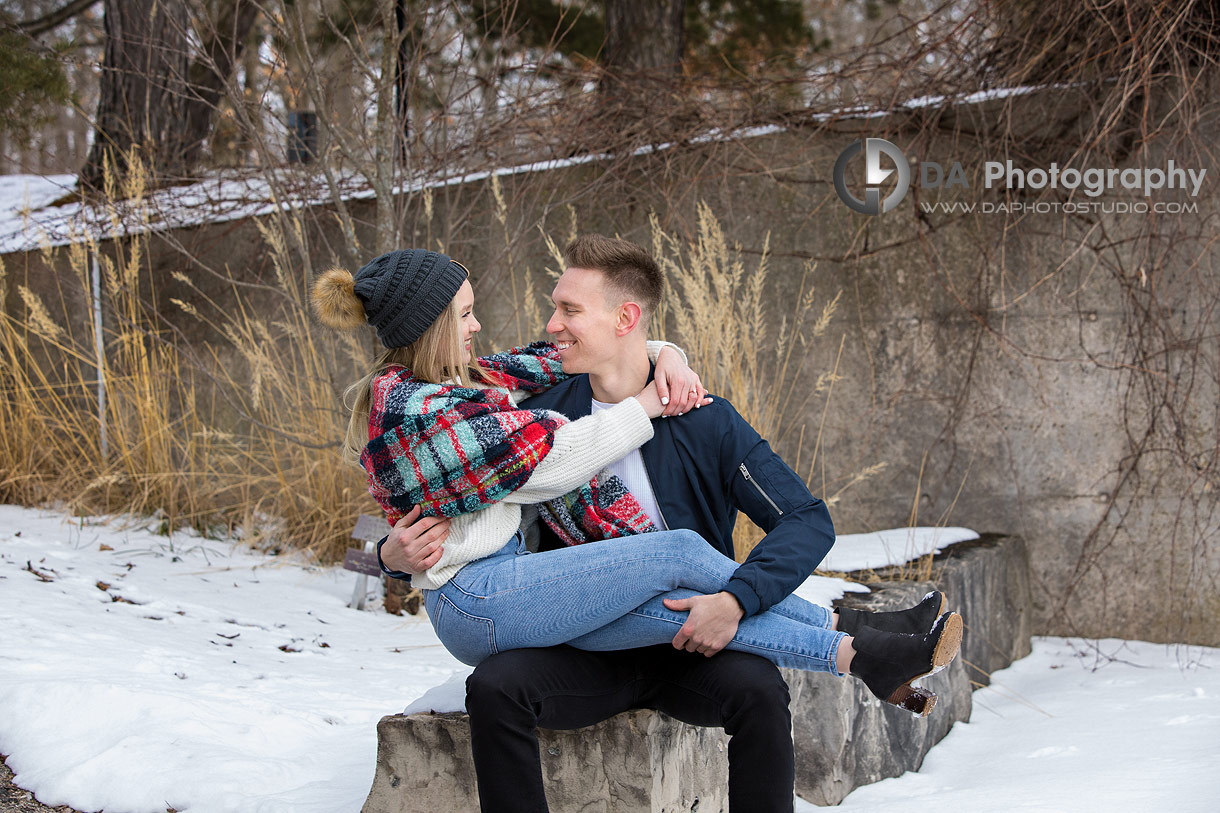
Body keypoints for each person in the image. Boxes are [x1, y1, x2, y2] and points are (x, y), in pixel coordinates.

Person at [313, 246, 962, 805]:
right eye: (465, 314)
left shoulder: (468, 383)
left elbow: (552, 357)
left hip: (546, 594)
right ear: (431, 326)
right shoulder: (422, 412)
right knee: (675, 551)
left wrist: (663, 352)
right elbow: (551, 458)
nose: (482, 323)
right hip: (485, 600)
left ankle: (864, 652)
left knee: (712, 629)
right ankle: (860, 633)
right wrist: (385, 556)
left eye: (570, 312)